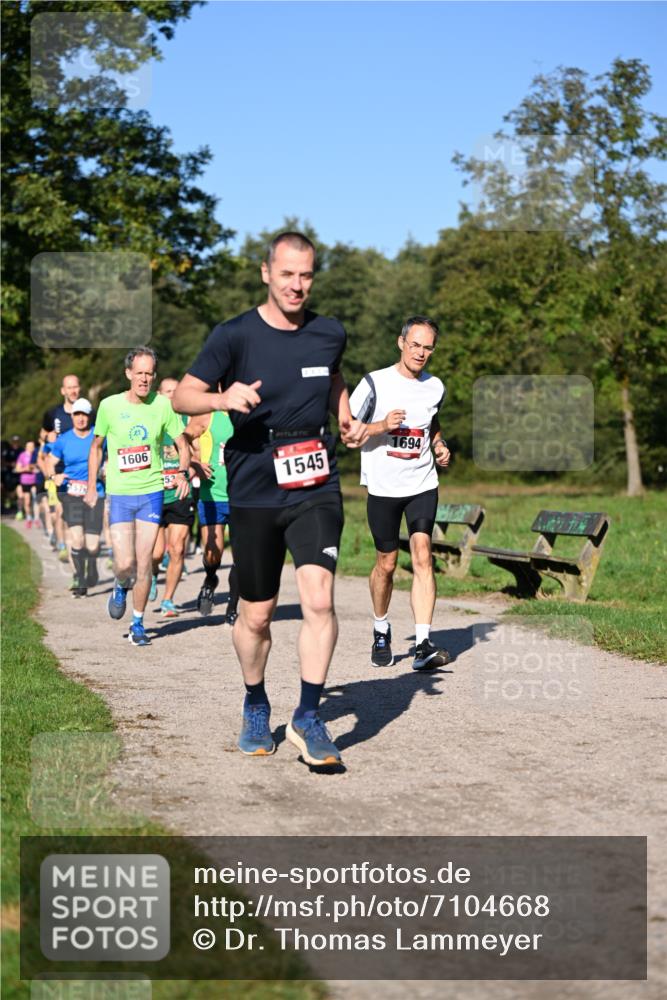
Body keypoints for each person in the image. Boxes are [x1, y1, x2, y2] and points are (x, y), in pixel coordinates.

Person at [173, 231, 358, 766]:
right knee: (256, 616)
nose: (297, 285)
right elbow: (185, 395)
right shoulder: (233, 336)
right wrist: (221, 396)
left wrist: (341, 409)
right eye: (287, 275)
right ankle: (256, 701)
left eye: (306, 276)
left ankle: (307, 714)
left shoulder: (329, 332)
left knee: (319, 599)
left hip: (315, 478)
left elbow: (332, 375)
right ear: (266, 273)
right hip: (254, 480)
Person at [348, 316, 452, 670]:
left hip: (422, 482)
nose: (421, 353)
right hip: (383, 487)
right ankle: (381, 628)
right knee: (387, 564)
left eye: (428, 348)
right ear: (400, 343)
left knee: (423, 554)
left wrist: (438, 444)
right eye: (415, 345)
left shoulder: (434, 386)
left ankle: (422, 644)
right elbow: (348, 434)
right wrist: (380, 426)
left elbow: (431, 422)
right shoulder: (374, 384)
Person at [85, 347, 190, 646]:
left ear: (154, 376)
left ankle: (138, 623)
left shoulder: (163, 406)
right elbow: (96, 448)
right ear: (128, 373)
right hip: (119, 494)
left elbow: (183, 444)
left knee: (144, 564)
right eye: (139, 373)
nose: (144, 379)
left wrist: (181, 473)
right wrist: (93, 486)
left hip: (151, 493)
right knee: (125, 564)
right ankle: (119, 586)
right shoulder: (109, 406)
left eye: (149, 374)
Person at [184, 405, 239, 624]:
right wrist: (193, 462)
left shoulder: (249, 413)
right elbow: (183, 438)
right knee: (211, 552)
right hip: (212, 494)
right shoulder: (208, 414)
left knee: (241, 557)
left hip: (242, 496)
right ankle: (209, 579)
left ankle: (232, 607)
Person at [46, 398, 105, 597]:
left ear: (90, 416)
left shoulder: (100, 435)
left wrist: (107, 469)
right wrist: (54, 476)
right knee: (76, 539)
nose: (80, 418)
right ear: (72, 416)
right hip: (72, 492)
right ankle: (79, 578)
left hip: (95, 492)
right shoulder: (64, 440)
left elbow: (112, 456)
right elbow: (49, 461)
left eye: (84, 415)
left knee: (93, 545)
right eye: (77, 414)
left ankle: (93, 564)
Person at [149, 377, 195, 618]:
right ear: (159, 393)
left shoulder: (188, 422)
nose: (172, 396)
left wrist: (190, 471)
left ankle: (168, 600)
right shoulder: (152, 417)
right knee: (156, 553)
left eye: (176, 392)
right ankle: (154, 572)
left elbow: (196, 453)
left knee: (177, 549)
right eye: (168, 392)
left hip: (180, 492)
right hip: (155, 492)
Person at [42, 374, 84, 563]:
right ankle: (63, 545)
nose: (73, 391)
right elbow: (43, 434)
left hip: (82, 472)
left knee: (79, 517)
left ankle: (77, 546)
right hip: (59, 471)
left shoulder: (86, 412)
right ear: (63, 391)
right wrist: (46, 439)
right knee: (61, 512)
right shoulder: (53, 414)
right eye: (69, 387)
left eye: (75, 387)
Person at [14, 440, 39, 525]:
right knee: (27, 501)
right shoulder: (22, 455)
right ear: (26, 447)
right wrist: (26, 468)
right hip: (25, 481)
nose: (31, 448)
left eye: (32, 446)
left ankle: (36, 518)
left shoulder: (37, 455)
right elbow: (17, 469)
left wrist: (35, 468)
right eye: (29, 446)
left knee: (36, 499)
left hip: (35, 480)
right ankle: (29, 517)